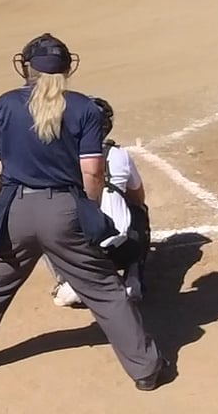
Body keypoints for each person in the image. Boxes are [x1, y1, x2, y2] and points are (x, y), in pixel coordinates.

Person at [0, 34, 168, 390]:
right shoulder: (84, 108)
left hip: (16, 208)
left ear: (27, 68)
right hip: (64, 210)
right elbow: (92, 172)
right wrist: (87, 209)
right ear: (67, 68)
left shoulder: (3, 105)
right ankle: (145, 370)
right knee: (104, 289)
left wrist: (1, 201)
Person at [51, 95, 149, 307]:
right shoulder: (120, 155)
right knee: (139, 211)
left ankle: (68, 282)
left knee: (46, 217)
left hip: (81, 255)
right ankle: (133, 279)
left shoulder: (63, 157)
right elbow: (138, 198)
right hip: (122, 249)